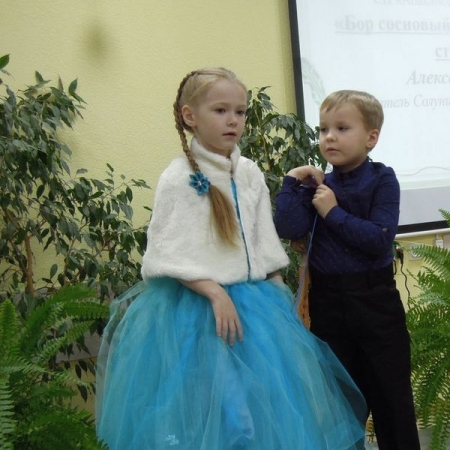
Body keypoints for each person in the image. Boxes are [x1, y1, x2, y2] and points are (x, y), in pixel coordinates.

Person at [95, 69, 368, 449]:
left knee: (264, 410)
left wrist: (280, 302)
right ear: (190, 116)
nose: (233, 120)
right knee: (216, 410)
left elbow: (262, 243)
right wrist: (215, 294)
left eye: (240, 112)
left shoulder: (249, 172)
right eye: (220, 110)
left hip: (256, 307)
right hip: (197, 311)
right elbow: (167, 254)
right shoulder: (178, 178)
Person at [274, 90, 421, 450]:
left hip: (375, 305)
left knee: (392, 402)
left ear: (371, 136)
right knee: (339, 407)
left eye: (342, 128)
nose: (329, 137)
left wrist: (332, 213)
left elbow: (379, 239)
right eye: (323, 129)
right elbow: (288, 227)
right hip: (328, 306)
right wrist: (292, 181)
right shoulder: (319, 185)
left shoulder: (382, 180)